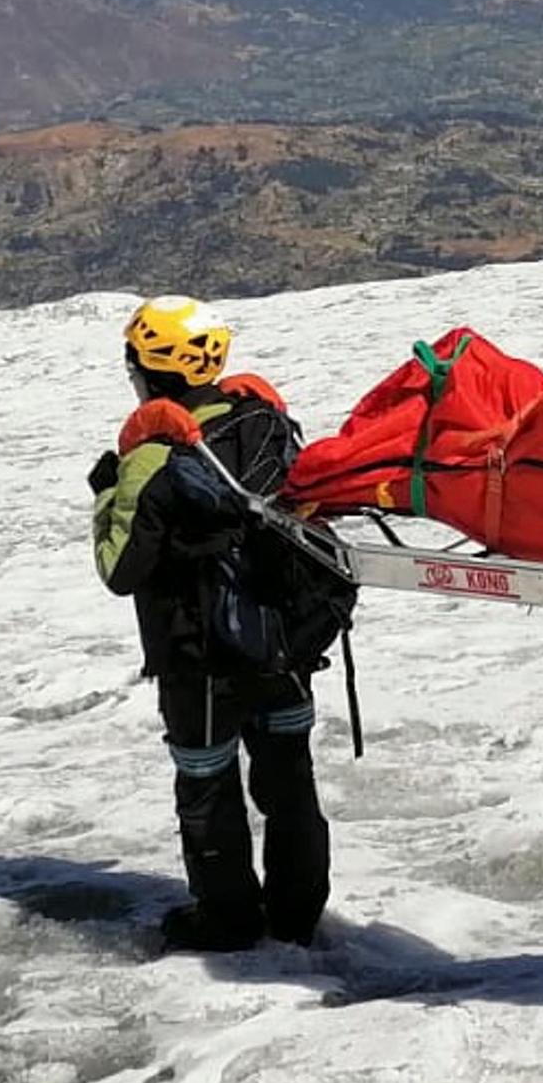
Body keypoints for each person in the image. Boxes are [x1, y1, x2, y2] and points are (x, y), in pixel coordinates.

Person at [89, 295, 354, 953]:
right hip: (285, 645)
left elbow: (120, 568)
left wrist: (105, 495)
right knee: (288, 778)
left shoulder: (153, 457)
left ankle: (229, 923)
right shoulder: (265, 422)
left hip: (200, 655)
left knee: (207, 785)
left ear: (149, 370)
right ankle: (298, 916)